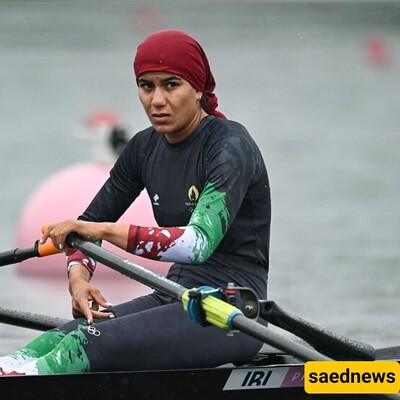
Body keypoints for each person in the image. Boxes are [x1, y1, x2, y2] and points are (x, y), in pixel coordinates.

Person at [0, 29, 271, 375]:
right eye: (147, 86)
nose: (157, 100)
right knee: (57, 338)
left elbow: (196, 244)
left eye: (171, 85)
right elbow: (86, 230)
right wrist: (79, 279)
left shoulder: (230, 147)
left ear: (199, 89)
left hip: (232, 311)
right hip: (173, 295)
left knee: (85, 344)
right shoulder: (144, 148)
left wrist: (100, 229)